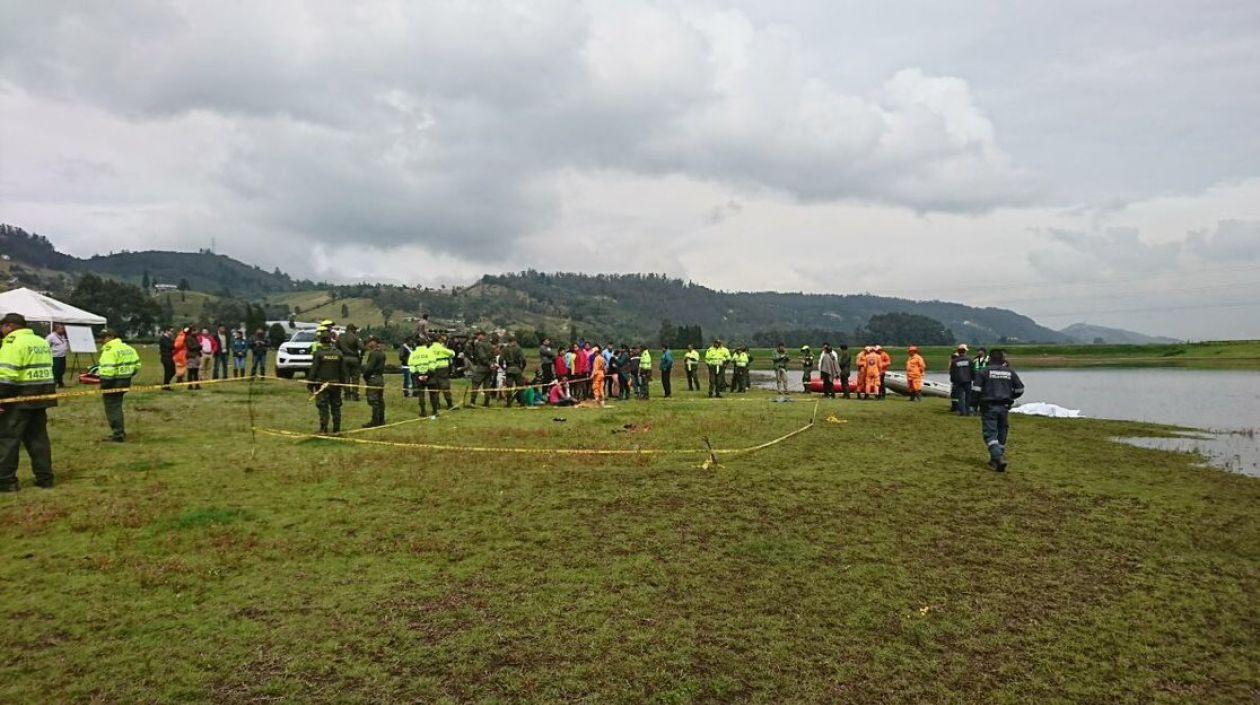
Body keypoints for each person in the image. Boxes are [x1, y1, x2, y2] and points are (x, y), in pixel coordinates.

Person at [0, 313, 57, 491]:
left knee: (8, 440)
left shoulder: (12, 343)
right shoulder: (40, 342)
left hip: (18, 398)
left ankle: (6, 481)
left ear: (9, 326)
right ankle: (45, 478)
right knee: (38, 439)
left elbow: (7, 375)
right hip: (40, 397)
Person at [971, 349, 1024, 472]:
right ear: (1002, 360)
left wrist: (973, 405)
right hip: (1004, 407)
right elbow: (1020, 389)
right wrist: (1010, 396)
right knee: (1002, 432)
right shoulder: (1010, 372)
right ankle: (995, 458)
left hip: (988, 406)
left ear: (990, 360)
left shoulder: (983, 372)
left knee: (990, 434)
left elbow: (976, 390)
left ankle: (998, 457)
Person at [97, 330, 141, 442]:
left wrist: (104, 386)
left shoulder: (109, 351)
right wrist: (128, 375)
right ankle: (120, 431)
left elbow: (107, 373)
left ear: (111, 337)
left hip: (112, 383)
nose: (101, 340)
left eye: (103, 338)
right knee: (117, 405)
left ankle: (118, 434)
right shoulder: (128, 348)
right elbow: (137, 365)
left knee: (112, 408)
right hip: (125, 381)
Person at [308, 331, 348, 434]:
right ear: (331, 341)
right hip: (336, 384)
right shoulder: (338, 353)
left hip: (322, 385)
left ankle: (324, 429)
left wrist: (310, 385)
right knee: (336, 407)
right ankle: (337, 429)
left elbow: (313, 370)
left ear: (321, 342)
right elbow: (343, 371)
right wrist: (344, 385)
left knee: (323, 407)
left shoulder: (318, 354)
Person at [361, 335, 386, 428]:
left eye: (370, 342)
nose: (368, 344)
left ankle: (375, 420)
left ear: (374, 342)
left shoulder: (374, 354)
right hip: (379, 378)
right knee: (380, 400)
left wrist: (364, 374)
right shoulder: (381, 353)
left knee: (373, 401)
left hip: (373, 378)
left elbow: (369, 368)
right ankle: (381, 419)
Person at [409, 337, 436, 418]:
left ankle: (423, 412)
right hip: (430, 376)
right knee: (433, 394)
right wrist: (427, 374)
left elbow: (412, 366)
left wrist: (419, 375)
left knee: (421, 395)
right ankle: (435, 411)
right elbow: (433, 364)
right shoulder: (429, 352)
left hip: (418, 376)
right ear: (425, 343)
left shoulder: (413, 354)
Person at [429, 334, 456, 411]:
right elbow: (452, 354)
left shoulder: (430, 349)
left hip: (433, 369)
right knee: (445, 387)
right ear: (439, 340)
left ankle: (437, 405)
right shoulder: (441, 348)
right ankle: (449, 404)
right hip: (443, 369)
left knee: (435, 388)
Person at [466, 331, 493, 407]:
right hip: (489, 368)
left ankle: (472, 402)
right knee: (487, 385)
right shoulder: (489, 344)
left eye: (478, 335)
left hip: (481, 367)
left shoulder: (479, 344)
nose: (477, 337)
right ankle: (486, 402)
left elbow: (482, 356)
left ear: (483, 336)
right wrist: (491, 364)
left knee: (475, 383)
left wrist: (488, 363)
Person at [337, 324, 363, 401]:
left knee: (345, 378)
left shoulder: (340, 337)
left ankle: (347, 395)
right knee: (355, 378)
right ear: (352, 330)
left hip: (344, 358)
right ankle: (355, 395)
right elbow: (362, 347)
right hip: (354, 358)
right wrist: (361, 356)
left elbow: (336, 347)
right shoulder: (355, 337)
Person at [501, 335, 526, 407]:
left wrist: (503, 368)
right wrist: (522, 369)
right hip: (517, 369)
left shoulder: (504, 349)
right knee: (520, 387)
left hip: (509, 369)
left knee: (509, 387)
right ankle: (522, 403)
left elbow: (500, 360)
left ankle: (508, 403)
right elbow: (524, 360)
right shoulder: (518, 349)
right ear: (514, 341)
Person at [949, 344, 973, 415]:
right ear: (965, 351)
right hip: (968, 380)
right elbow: (972, 370)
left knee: (960, 396)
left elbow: (952, 372)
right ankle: (968, 411)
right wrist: (973, 378)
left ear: (958, 352)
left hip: (958, 381)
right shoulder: (969, 360)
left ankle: (962, 412)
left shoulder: (954, 361)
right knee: (968, 396)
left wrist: (953, 380)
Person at [46, 323, 69, 388]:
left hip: (62, 356)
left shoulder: (62, 336)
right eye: (62, 329)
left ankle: (60, 383)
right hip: (55, 357)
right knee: (55, 371)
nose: (63, 330)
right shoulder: (50, 337)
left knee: (62, 370)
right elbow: (46, 346)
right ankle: (53, 384)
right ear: (56, 329)